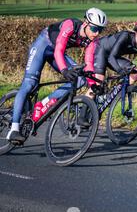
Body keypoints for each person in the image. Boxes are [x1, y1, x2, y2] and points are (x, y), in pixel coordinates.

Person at [7, 8, 108, 144]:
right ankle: (13, 129)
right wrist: (65, 70)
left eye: (100, 30)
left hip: (55, 53)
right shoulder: (70, 25)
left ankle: (43, 104)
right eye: (95, 29)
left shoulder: (92, 41)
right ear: (86, 23)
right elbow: (59, 49)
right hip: (43, 46)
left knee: (80, 79)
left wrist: (94, 85)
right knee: (29, 84)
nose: (97, 34)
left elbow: (89, 66)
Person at [84, 20, 137, 97]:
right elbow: (111, 58)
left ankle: (112, 96)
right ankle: (84, 106)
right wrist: (121, 71)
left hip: (112, 56)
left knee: (136, 74)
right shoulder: (125, 36)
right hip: (101, 51)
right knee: (98, 83)